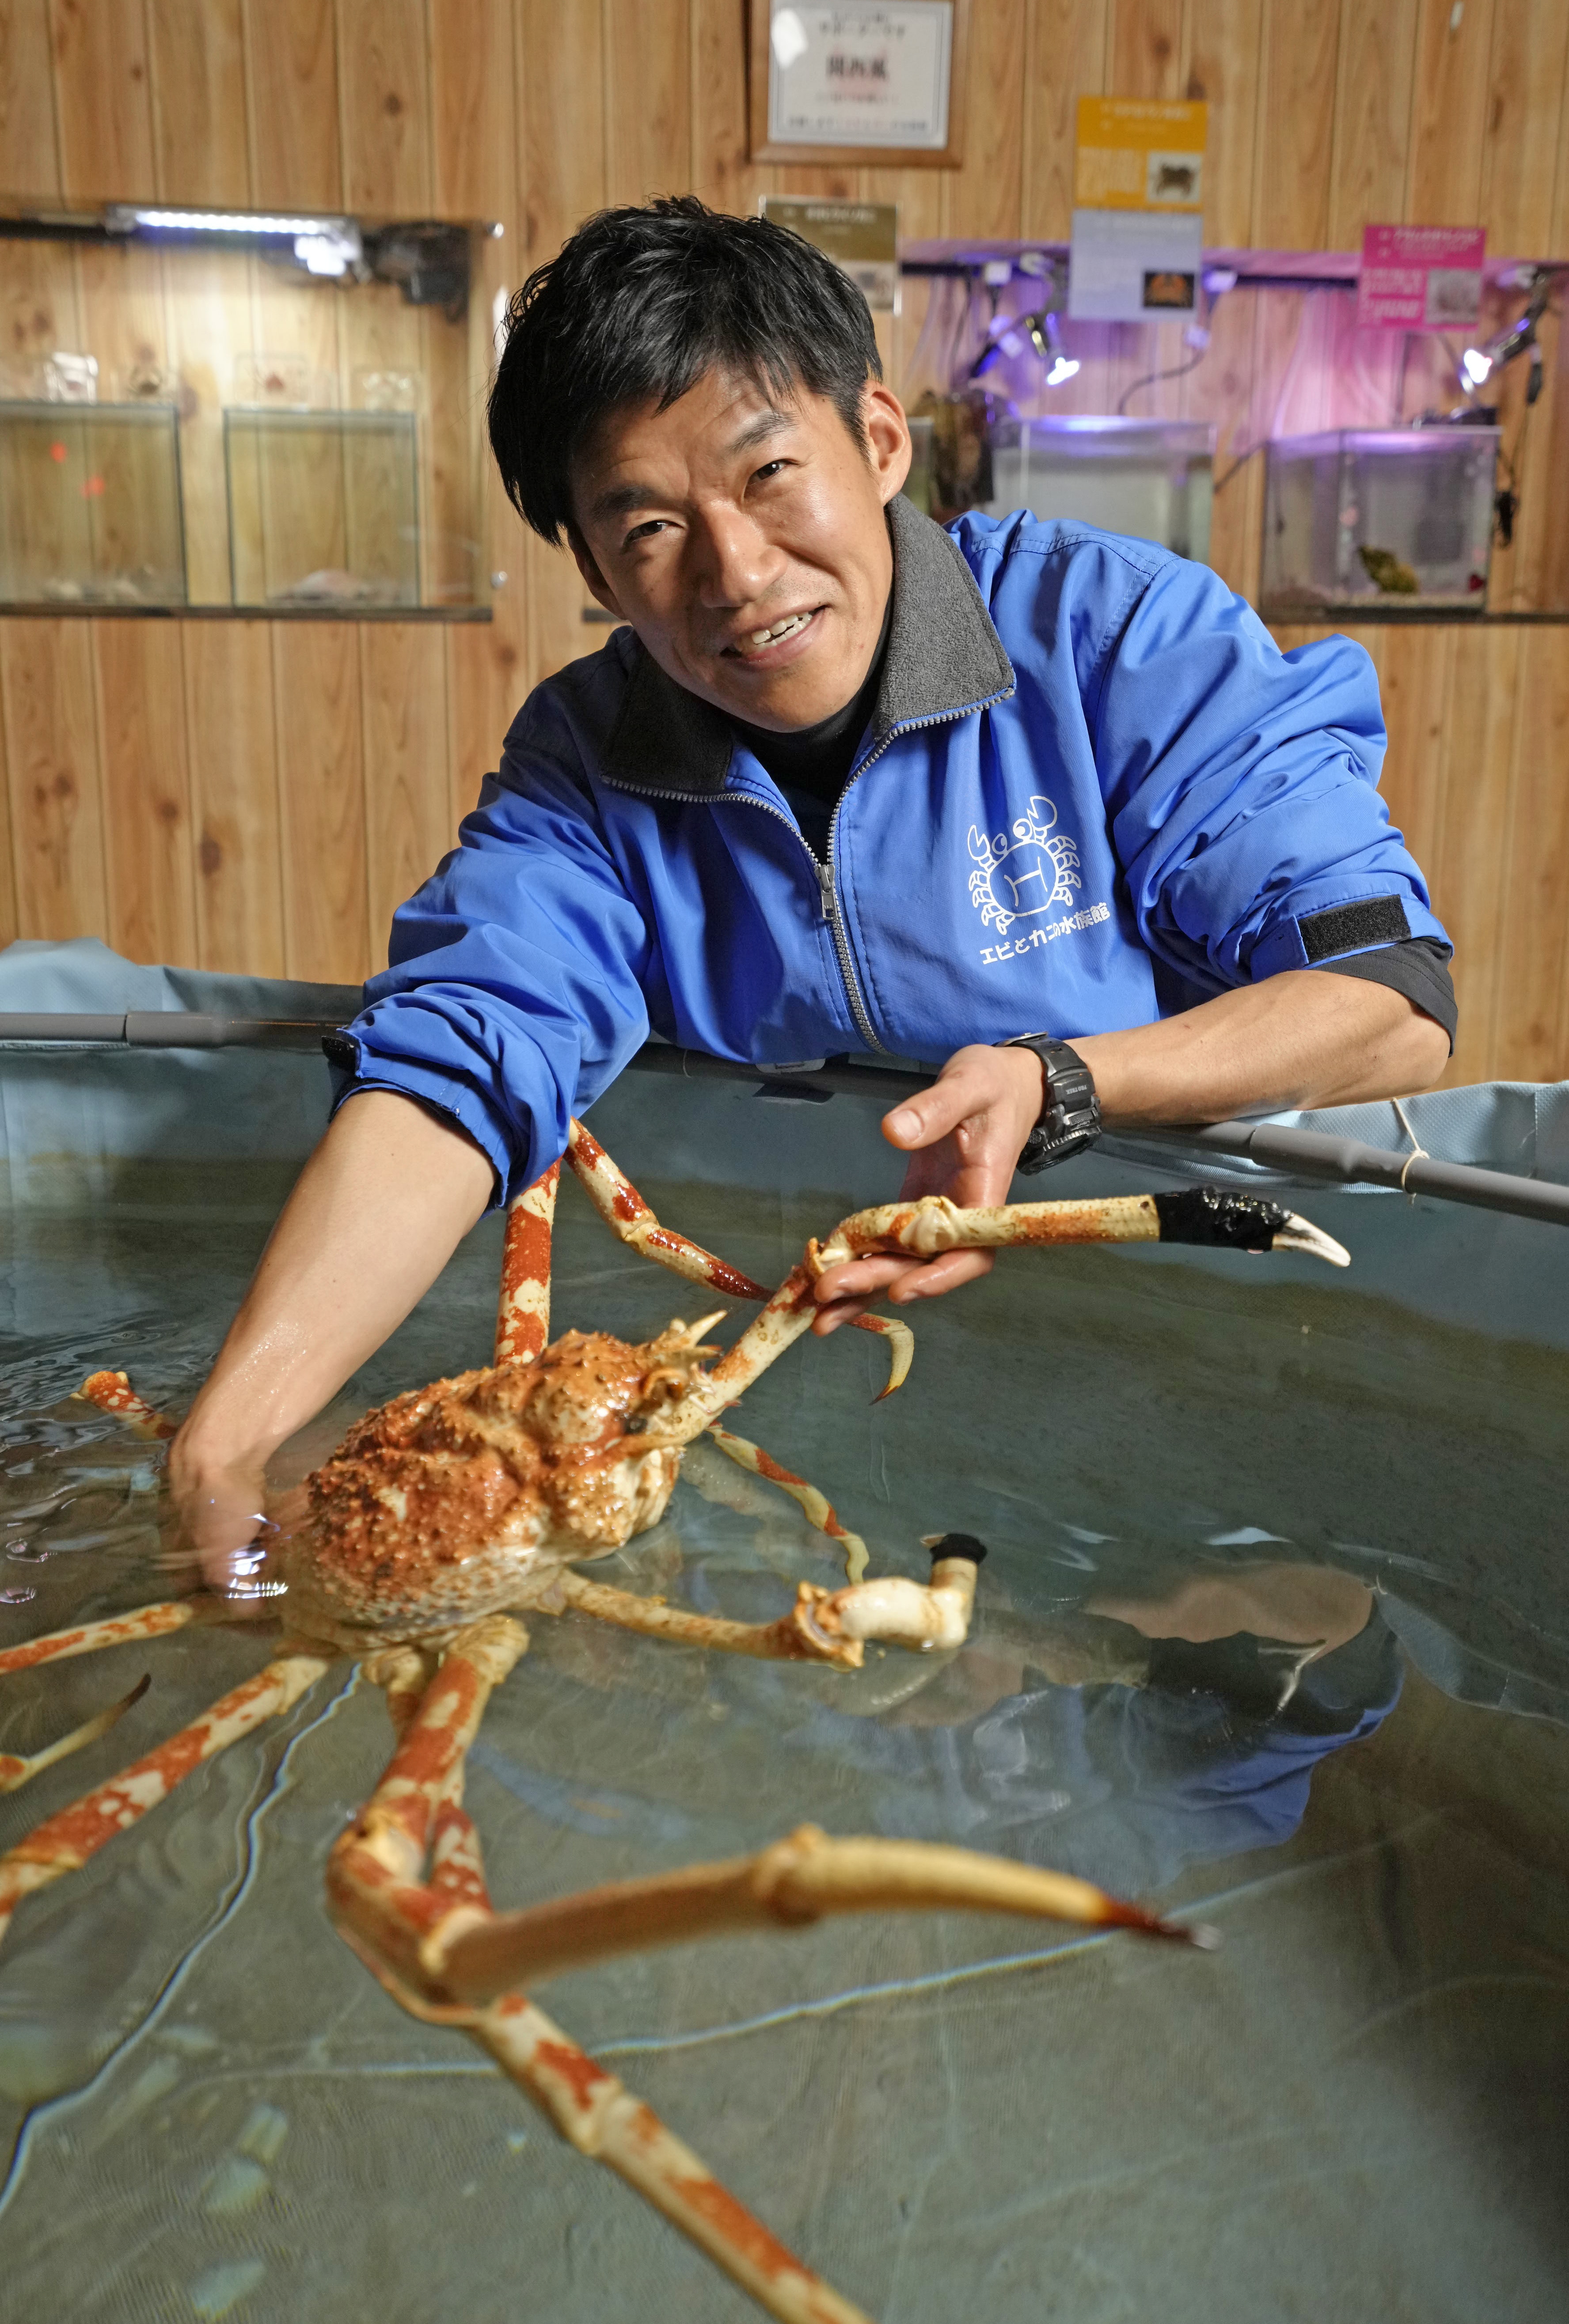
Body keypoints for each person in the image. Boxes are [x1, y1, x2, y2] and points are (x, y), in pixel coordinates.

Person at [171, 197, 1452, 1578]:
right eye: (649, 526)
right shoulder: (588, 761)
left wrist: (1061, 1079)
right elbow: (455, 1070)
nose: (736, 572)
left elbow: (1392, 998)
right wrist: (223, 1448)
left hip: (1179, 1369)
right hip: (797, 1377)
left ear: (881, 441)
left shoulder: (1119, 639)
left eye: (770, 472)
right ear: (594, 568)